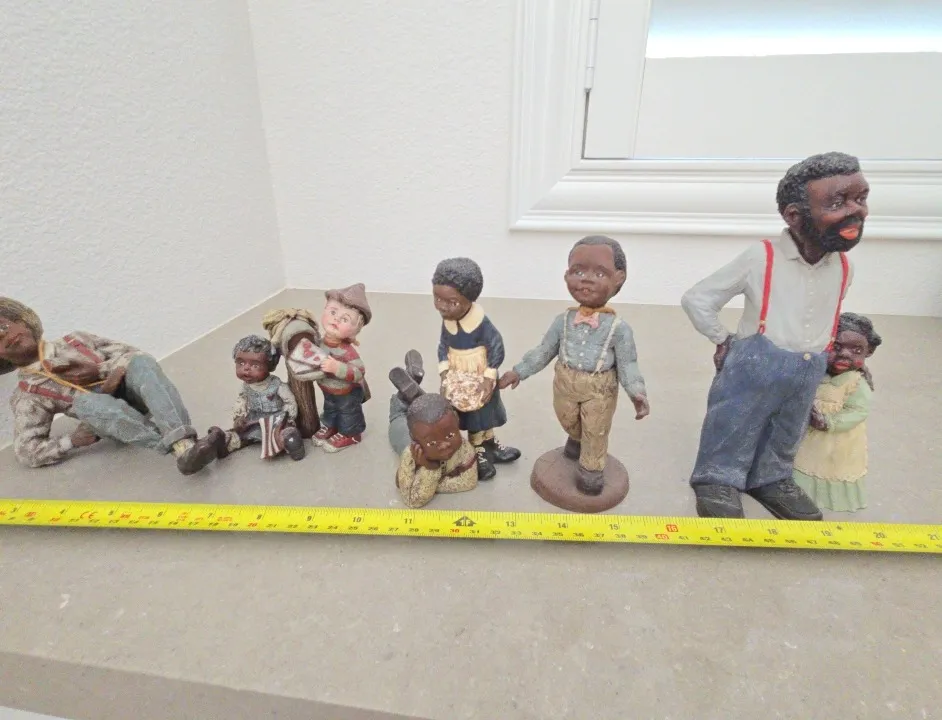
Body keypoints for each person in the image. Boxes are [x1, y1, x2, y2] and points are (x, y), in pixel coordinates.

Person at [680, 151, 867, 520]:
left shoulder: (844, 267)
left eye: (860, 198)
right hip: (757, 358)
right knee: (735, 419)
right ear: (794, 216)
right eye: (837, 203)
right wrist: (724, 339)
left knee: (789, 426)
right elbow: (698, 299)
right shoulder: (761, 257)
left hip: (810, 365)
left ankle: (771, 477)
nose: (855, 211)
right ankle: (717, 478)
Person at [0, 297, 224, 474]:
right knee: (87, 404)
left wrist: (100, 370)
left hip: (138, 397)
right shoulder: (28, 394)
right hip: (110, 422)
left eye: (4, 326)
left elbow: (135, 355)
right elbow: (26, 450)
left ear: (22, 321)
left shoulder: (76, 340)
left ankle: (183, 440)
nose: (6, 336)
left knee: (142, 364)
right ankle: (182, 453)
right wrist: (71, 441)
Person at [499, 235, 649, 495]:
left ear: (619, 278)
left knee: (595, 428)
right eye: (578, 271)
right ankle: (576, 439)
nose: (586, 279)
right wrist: (519, 371)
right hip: (564, 383)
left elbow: (629, 364)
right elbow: (544, 350)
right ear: (566, 275)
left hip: (599, 388)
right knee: (568, 419)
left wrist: (637, 392)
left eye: (599, 274)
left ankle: (592, 469)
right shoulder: (563, 321)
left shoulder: (619, 329)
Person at [432, 257, 520, 481]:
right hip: (458, 376)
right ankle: (476, 450)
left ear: (469, 299)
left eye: (451, 302)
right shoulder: (447, 321)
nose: (442, 306)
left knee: (484, 412)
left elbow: (496, 346)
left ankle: (489, 443)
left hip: (480, 374)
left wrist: (489, 377)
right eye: (437, 298)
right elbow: (443, 346)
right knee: (470, 415)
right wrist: (444, 372)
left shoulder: (481, 324)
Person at [792, 313, 881, 512]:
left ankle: (829, 498)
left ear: (869, 352)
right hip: (809, 438)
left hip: (837, 441)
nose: (845, 355)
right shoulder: (817, 373)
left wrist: (829, 422)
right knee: (806, 460)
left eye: (856, 350)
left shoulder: (855, 383)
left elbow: (858, 411)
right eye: (836, 347)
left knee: (831, 465)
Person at [388, 351, 478, 508]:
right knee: (397, 417)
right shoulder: (410, 454)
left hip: (422, 427)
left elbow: (469, 481)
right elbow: (412, 500)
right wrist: (430, 472)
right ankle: (408, 392)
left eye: (450, 435)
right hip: (407, 434)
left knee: (429, 414)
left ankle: (412, 388)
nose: (444, 445)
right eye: (432, 443)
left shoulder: (464, 449)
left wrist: (430, 469)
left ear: (457, 423)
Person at [211, 335, 305, 461]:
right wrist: (239, 417)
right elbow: (241, 401)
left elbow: (289, 401)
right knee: (241, 432)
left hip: (275, 419)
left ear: (269, 366)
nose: (246, 369)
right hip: (253, 419)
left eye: (255, 365)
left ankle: (291, 442)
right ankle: (223, 443)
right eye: (241, 363)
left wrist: (288, 417)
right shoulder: (245, 387)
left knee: (281, 433)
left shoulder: (277, 385)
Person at [307, 284, 372, 452]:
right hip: (328, 388)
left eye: (345, 319)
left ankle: (352, 433)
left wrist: (336, 367)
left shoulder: (347, 351)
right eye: (333, 312)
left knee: (348, 412)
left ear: (355, 330)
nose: (335, 319)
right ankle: (331, 426)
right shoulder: (319, 343)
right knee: (330, 408)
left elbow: (359, 372)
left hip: (347, 392)